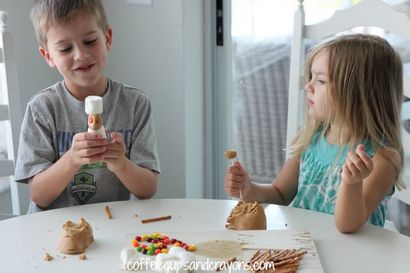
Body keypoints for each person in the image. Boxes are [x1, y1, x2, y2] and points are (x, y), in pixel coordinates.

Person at [224, 34, 405, 233]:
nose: (308, 86)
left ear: (360, 96)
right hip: (304, 249)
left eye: (321, 80)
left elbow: (348, 225)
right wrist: (251, 190)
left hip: (354, 258)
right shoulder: (310, 139)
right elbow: (280, 194)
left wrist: (351, 184)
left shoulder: (381, 159)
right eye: (311, 77)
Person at [15, 0, 160, 213]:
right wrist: (72, 159)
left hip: (113, 222)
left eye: (90, 41)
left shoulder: (135, 104)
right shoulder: (42, 108)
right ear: (48, 56)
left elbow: (147, 190)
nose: (81, 55)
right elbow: (39, 196)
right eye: (65, 48)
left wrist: (121, 163)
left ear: (107, 38)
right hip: (53, 229)